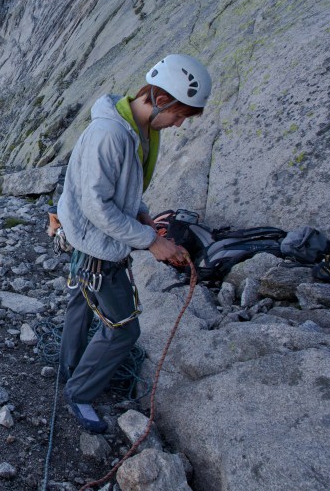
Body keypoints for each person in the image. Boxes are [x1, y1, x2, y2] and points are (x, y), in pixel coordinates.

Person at [56, 54, 213, 433]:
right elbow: (98, 206)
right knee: (125, 329)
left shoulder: (139, 129)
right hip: (97, 242)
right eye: (179, 114)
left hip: (85, 237)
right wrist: (151, 242)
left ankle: (68, 369)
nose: (178, 123)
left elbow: (121, 189)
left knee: (81, 303)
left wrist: (142, 214)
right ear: (162, 99)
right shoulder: (110, 135)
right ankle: (79, 393)